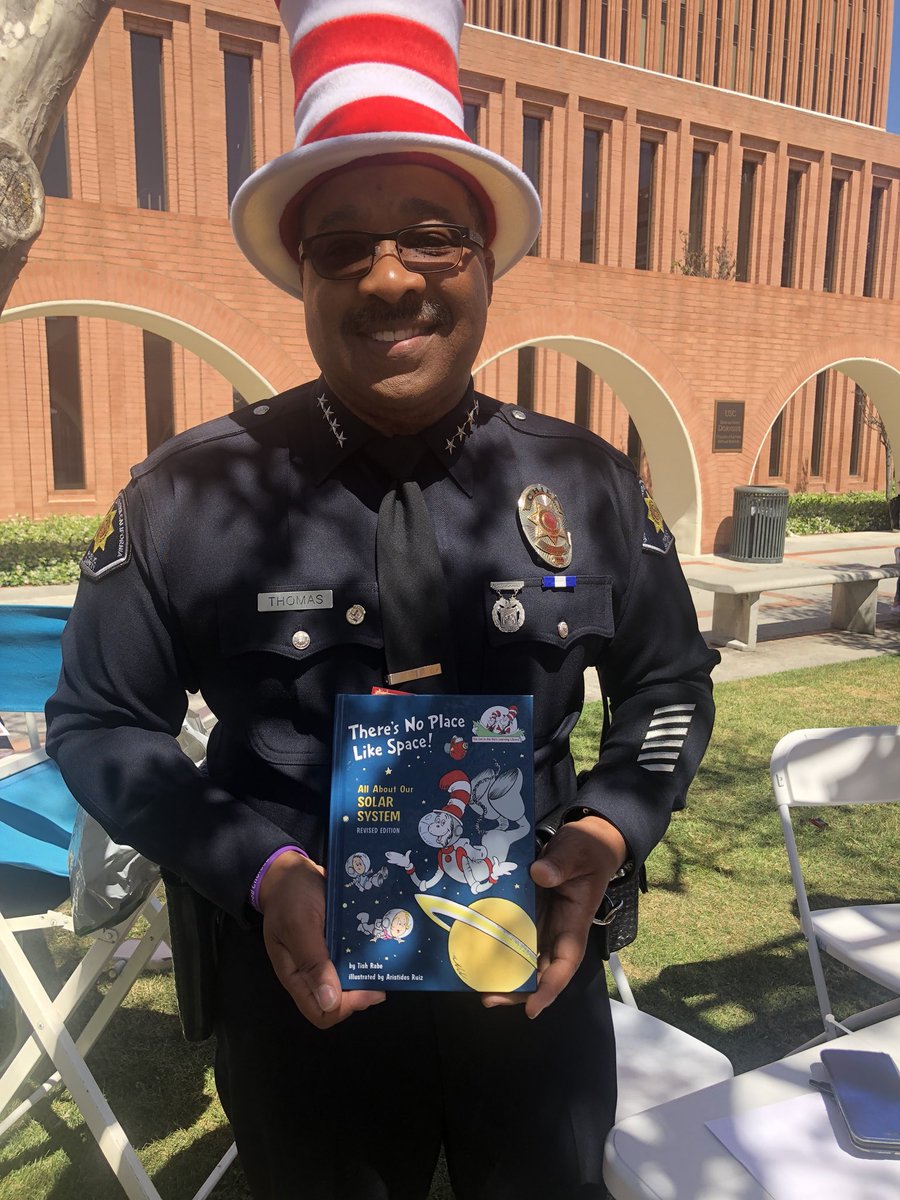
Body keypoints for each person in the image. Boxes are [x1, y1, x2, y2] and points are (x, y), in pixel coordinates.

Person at [46, 3, 718, 1197]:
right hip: (304, 1000)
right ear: (302, 277)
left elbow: (668, 684)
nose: (390, 276)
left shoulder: (589, 482)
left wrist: (609, 833)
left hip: (533, 981)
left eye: (432, 239)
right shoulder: (186, 498)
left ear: (488, 264)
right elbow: (102, 724)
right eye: (343, 247)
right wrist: (261, 872)